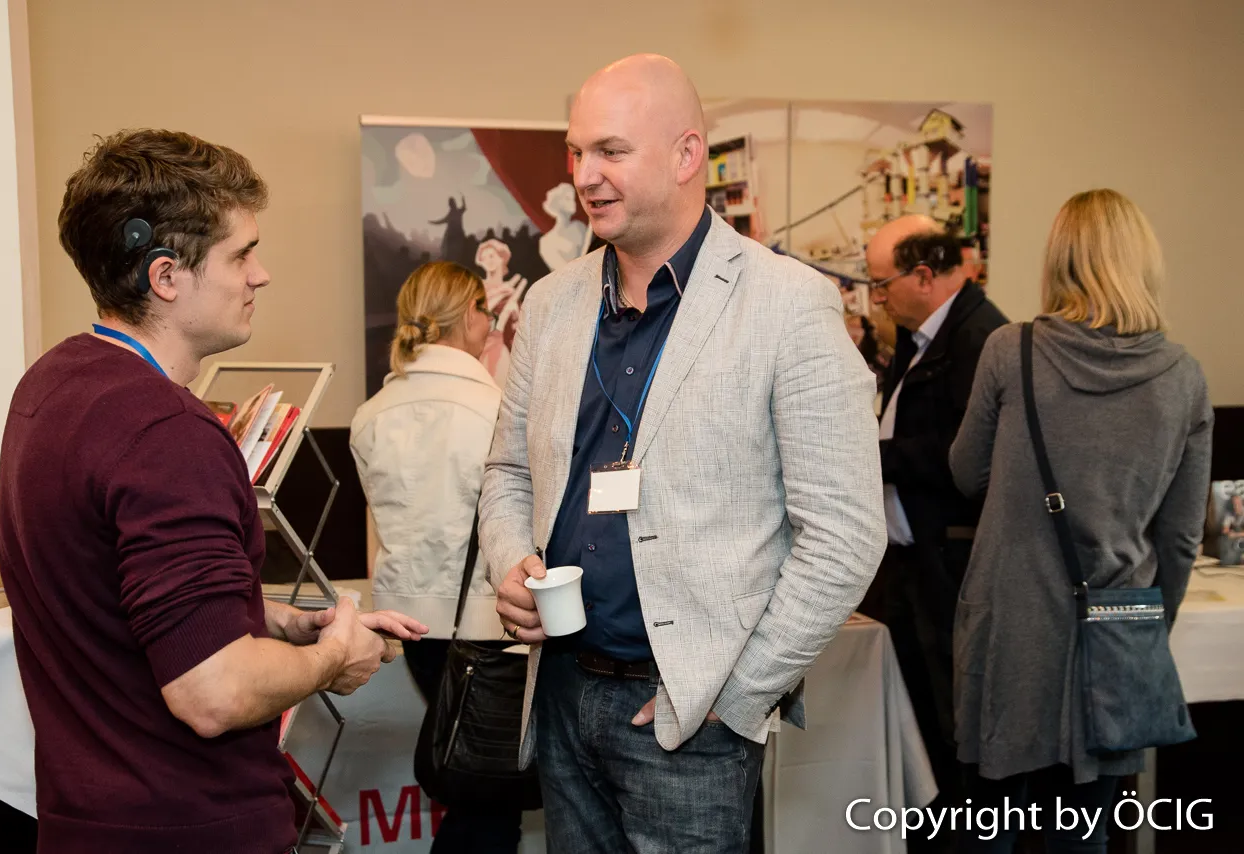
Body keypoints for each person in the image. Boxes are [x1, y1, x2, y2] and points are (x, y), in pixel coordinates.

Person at [479, 54, 885, 853]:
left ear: (686, 154)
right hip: (559, 693)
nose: (584, 175)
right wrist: (507, 560)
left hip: (690, 719)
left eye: (611, 151)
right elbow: (508, 471)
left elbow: (844, 535)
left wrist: (736, 697)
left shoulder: (789, 304)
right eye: (576, 152)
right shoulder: (553, 302)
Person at [0, 129, 427, 854]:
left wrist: (274, 621)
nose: (261, 275)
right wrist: (335, 657)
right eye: (241, 255)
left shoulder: (51, 385)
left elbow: (111, 594)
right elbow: (213, 691)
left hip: (87, 826)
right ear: (166, 277)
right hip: (191, 828)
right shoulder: (166, 431)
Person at [949, 189, 1212, 852]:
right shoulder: (1184, 378)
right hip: (1115, 639)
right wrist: (1146, 627)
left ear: (1059, 261)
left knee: (989, 831)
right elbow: (1181, 538)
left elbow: (965, 473)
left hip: (1010, 633)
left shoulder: (1011, 351)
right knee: (1083, 837)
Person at [350, 261, 524, 853]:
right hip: (488, 623)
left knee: (478, 790)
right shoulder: (495, 409)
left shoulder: (371, 414)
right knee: (490, 795)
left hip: (410, 626)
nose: (491, 324)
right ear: (469, 313)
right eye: (486, 311)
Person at [859, 216, 1008, 851]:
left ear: (923, 276)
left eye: (881, 283)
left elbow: (968, 457)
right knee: (917, 727)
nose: (876, 297)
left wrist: (873, 457)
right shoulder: (921, 337)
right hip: (911, 564)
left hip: (951, 566)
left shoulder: (980, 339)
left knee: (954, 733)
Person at [474, 238, 529, 386]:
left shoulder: (511, 292)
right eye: (484, 257)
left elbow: (517, 327)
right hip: (478, 348)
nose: (488, 260)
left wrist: (514, 313)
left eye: (492, 256)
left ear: (502, 258)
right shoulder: (477, 288)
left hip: (499, 347)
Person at [539, 181, 589, 271]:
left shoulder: (578, 226)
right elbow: (565, 271)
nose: (573, 202)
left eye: (572, 198)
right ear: (558, 202)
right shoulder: (546, 243)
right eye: (567, 198)